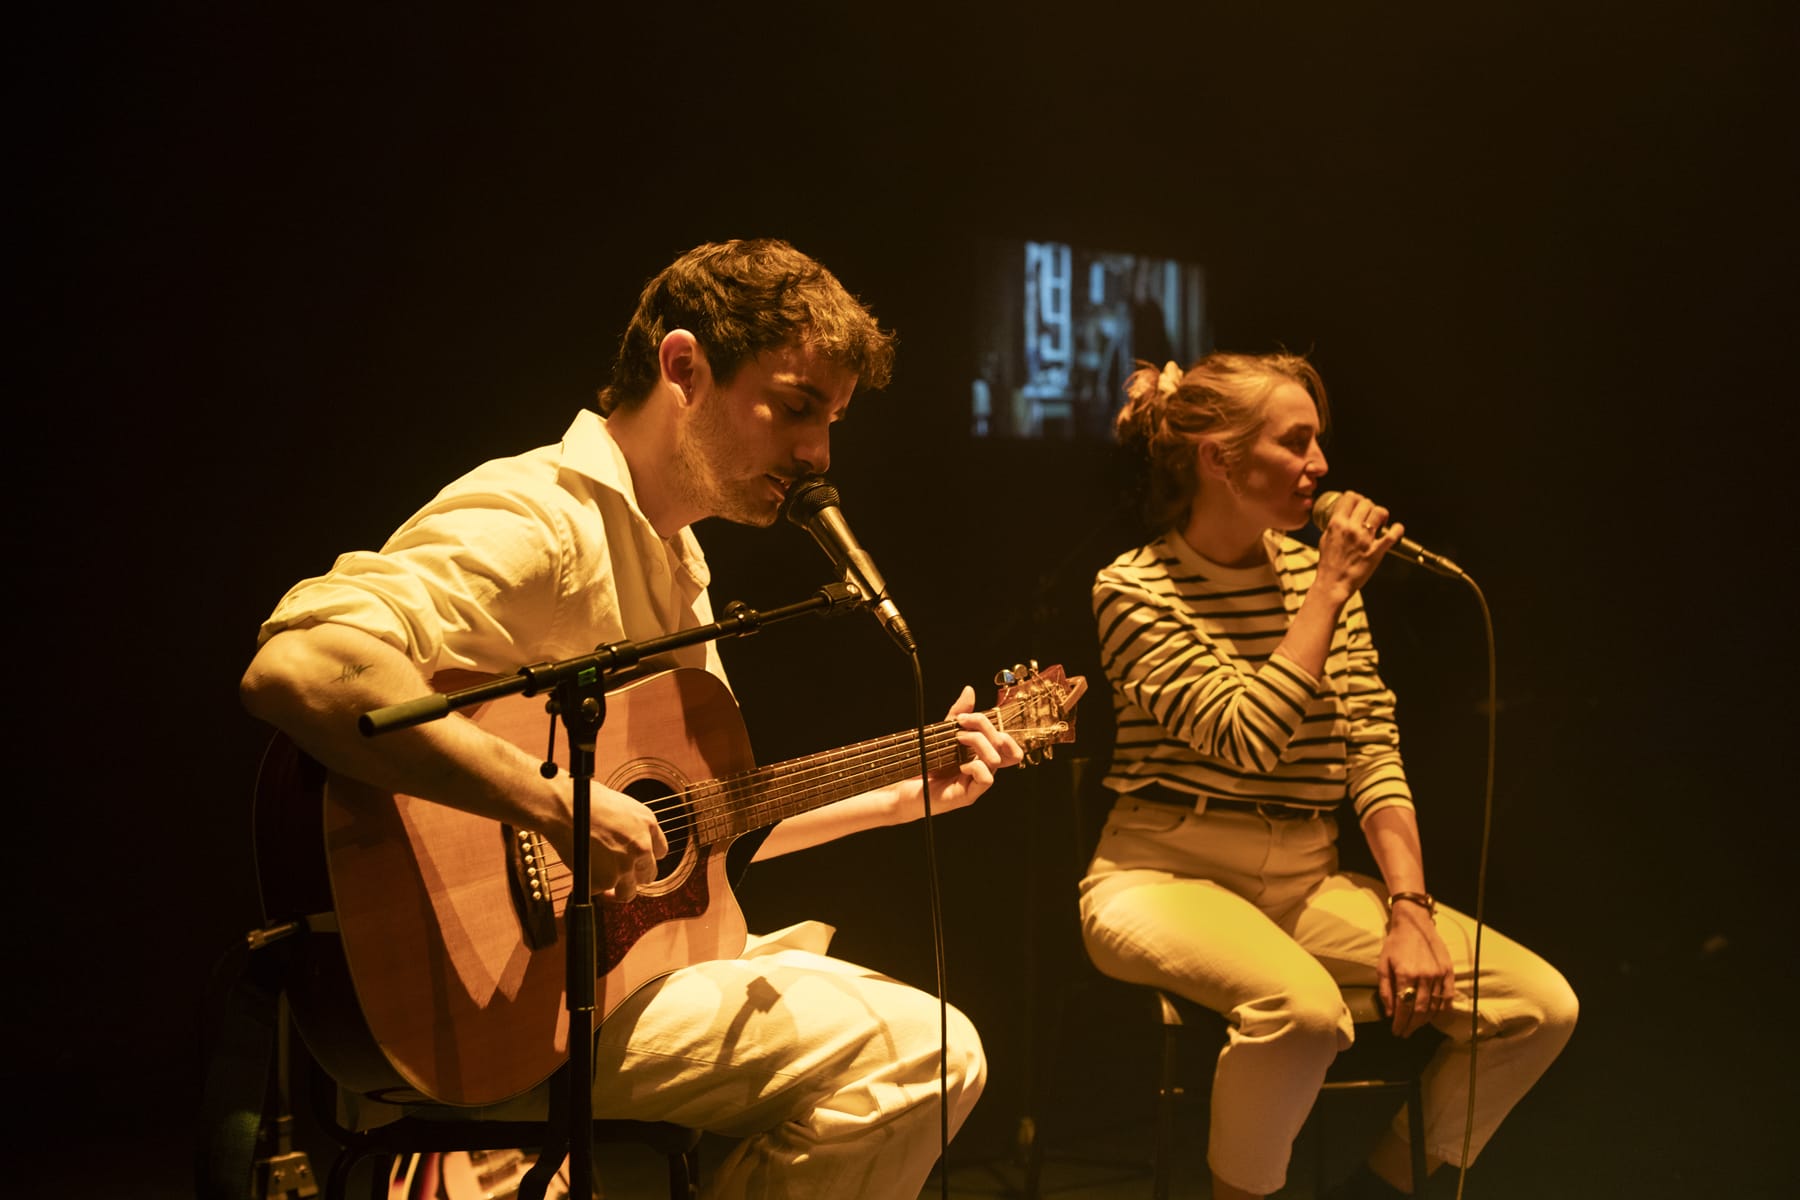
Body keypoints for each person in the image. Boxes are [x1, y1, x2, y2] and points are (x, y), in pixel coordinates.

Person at [240, 238, 1025, 1199]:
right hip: (486, 1001)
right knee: (922, 1055)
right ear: (683, 367)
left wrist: (892, 799)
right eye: (795, 407)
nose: (819, 453)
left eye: (833, 420)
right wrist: (547, 798)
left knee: (925, 1047)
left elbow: (675, 833)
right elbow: (300, 665)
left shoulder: (678, 562)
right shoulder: (538, 515)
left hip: (605, 987)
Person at [1079, 353, 1576, 1199]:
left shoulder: (1316, 577)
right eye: (1296, 441)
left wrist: (1410, 908)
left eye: (1319, 441)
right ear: (1219, 459)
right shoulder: (1135, 589)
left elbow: (1371, 746)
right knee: (1305, 1017)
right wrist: (1331, 591)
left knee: (1537, 1007)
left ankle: (1380, 1190)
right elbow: (1245, 739)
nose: (1321, 465)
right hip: (1163, 871)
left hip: (1305, 874)